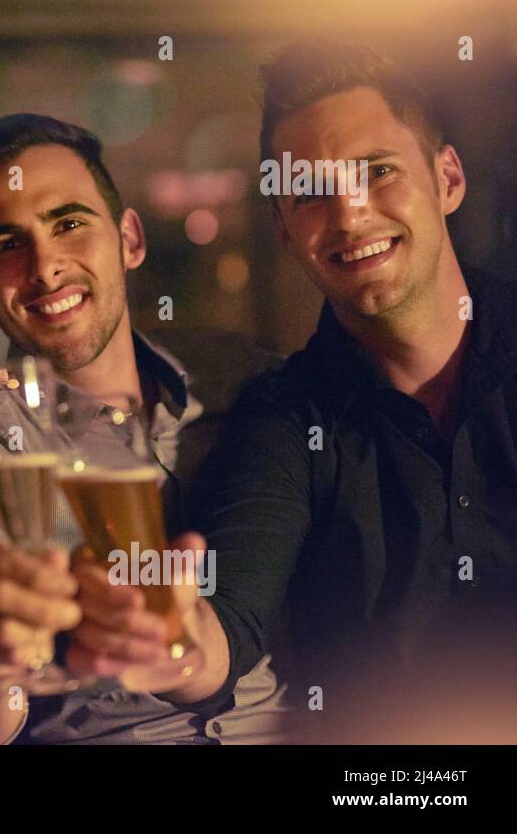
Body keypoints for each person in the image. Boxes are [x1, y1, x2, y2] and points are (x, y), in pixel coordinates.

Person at [66, 40, 517, 728]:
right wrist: (172, 642)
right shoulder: (286, 419)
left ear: (448, 178)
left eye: (378, 170)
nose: (349, 214)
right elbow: (226, 620)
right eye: (310, 193)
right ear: (282, 227)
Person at [0, 114, 287, 744]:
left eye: (69, 223)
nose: (45, 265)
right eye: (6, 245)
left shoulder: (246, 385)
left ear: (130, 239)